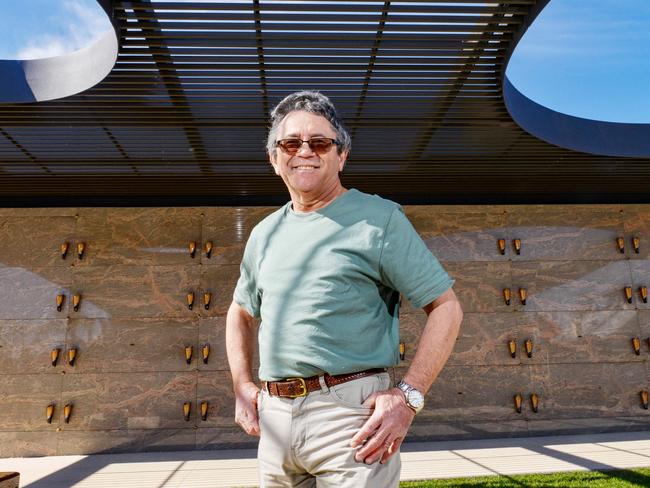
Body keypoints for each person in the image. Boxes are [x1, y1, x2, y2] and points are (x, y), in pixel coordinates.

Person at [226, 91, 463, 487]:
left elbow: (447, 307)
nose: (305, 151)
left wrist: (409, 395)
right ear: (274, 159)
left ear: (341, 156)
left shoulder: (378, 219)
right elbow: (240, 311)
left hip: (349, 417)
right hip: (275, 420)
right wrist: (241, 386)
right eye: (290, 143)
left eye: (320, 142)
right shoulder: (263, 233)